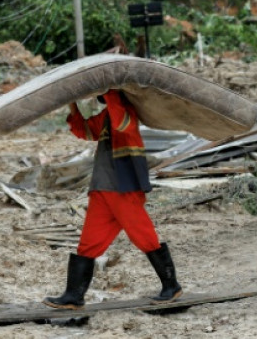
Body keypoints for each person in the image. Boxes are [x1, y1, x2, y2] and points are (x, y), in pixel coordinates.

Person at [43, 89, 182, 309]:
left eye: (106, 95)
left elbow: (120, 121)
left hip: (123, 189)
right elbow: (84, 130)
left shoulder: (126, 113)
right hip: (102, 189)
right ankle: (73, 296)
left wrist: (108, 89)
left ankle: (171, 286)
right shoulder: (107, 115)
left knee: (144, 237)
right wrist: (72, 105)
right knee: (87, 245)